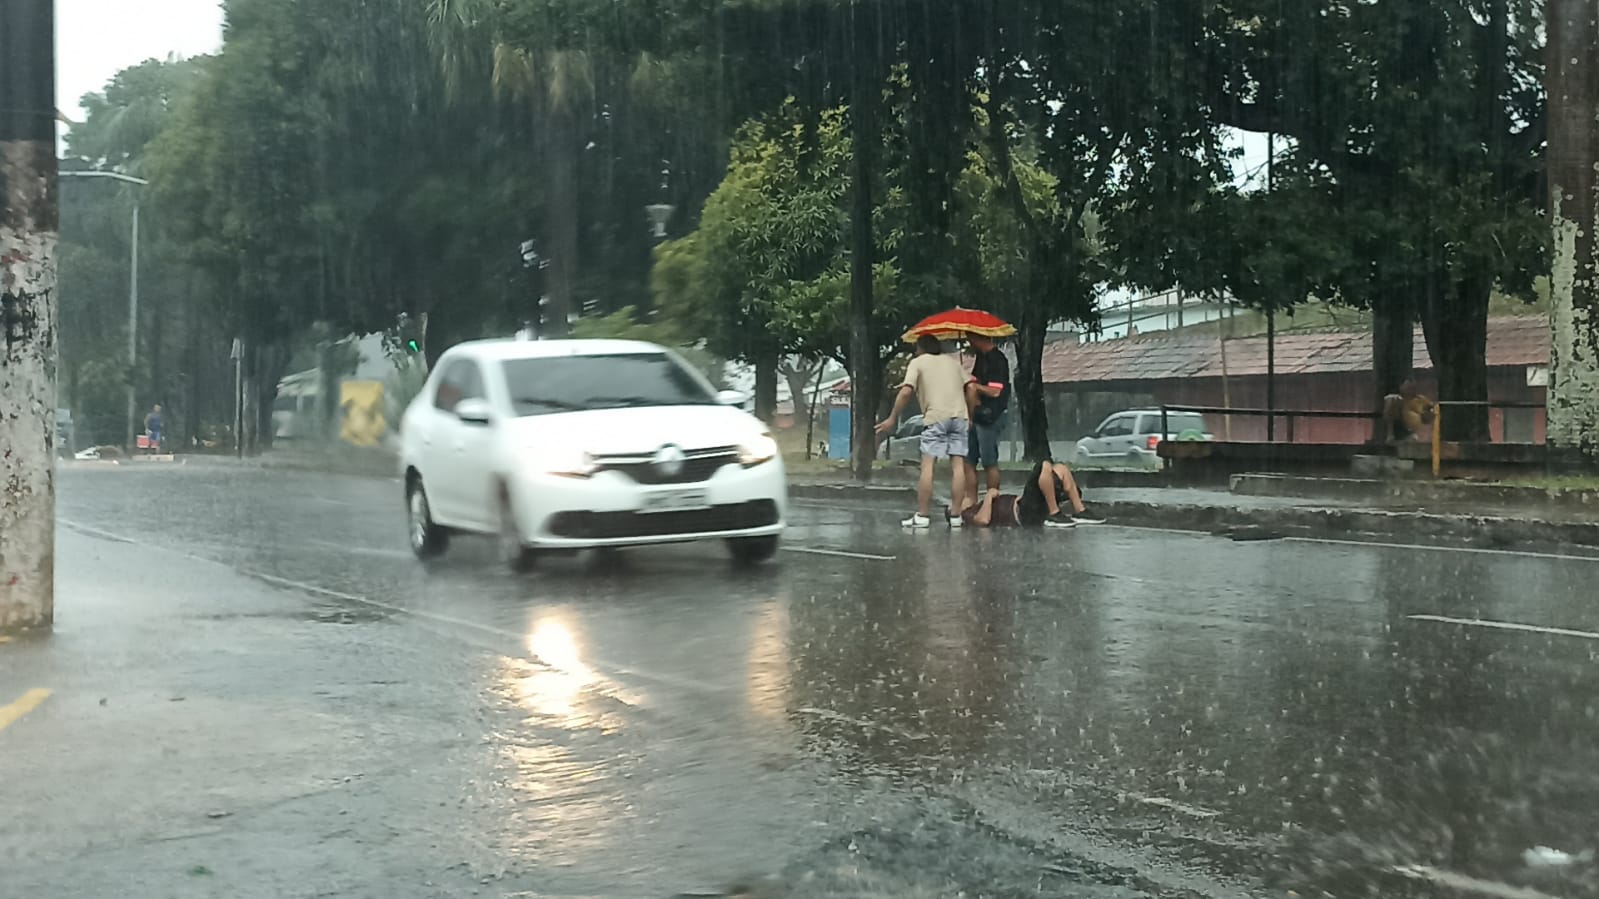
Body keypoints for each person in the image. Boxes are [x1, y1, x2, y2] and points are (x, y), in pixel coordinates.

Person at [877, 334, 970, 528]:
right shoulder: (953, 363)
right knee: (958, 466)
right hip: (960, 417)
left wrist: (892, 418)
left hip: (936, 417)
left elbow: (906, 391)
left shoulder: (917, 362)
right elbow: (971, 388)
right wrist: (970, 414)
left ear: (920, 348)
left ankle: (923, 515)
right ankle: (956, 516)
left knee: (928, 466)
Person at [963, 333, 1010, 510]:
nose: (969, 342)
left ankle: (992, 502)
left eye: (970, 338)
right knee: (969, 461)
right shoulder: (981, 358)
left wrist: (975, 387)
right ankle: (971, 501)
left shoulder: (997, 359)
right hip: (975, 415)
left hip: (991, 416)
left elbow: (996, 391)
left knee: (989, 461)